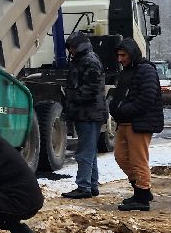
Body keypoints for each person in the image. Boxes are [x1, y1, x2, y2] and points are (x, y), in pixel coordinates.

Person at [108, 37, 164, 210]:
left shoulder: (146, 70)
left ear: (132, 54)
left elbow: (147, 98)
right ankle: (141, 191)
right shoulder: (127, 71)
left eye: (123, 55)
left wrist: (124, 110)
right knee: (121, 157)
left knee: (138, 160)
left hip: (139, 123)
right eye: (118, 55)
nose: (120, 59)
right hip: (125, 122)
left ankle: (142, 197)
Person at [61, 30, 107, 199]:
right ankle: (91, 185)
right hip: (89, 113)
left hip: (88, 113)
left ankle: (83, 186)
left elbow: (91, 89)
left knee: (85, 151)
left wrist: (73, 100)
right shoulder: (87, 59)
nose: (70, 51)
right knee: (89, 151)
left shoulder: (88, 61)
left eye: (72, 48)